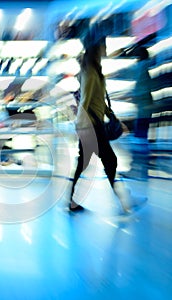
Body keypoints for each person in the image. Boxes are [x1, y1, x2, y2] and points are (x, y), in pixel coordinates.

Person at [69, 29, 118, 212]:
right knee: (110, 160)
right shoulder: (90, 69)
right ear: (96, 47)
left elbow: (97, 99)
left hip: (91, 122)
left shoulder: (94, 68)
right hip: (91, 124)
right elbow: (86, 100)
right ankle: (124, 198)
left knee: (84, 163)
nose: (106, 48)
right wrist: (81, 124)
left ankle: (71, 201)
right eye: (103, 44)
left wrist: (110, 114)